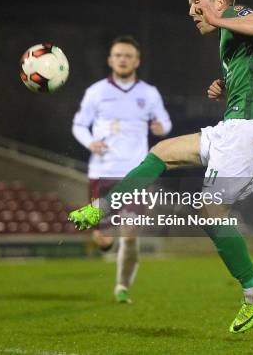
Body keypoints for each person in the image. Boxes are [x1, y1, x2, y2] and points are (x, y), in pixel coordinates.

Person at [69, 0, 253, 333]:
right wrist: (226, 86)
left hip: (250, 126)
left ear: (219, 3)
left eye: (196, 2)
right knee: (162, 152)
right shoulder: (229, 35)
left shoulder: (235, 15)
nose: (191, 11)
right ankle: (101, 208)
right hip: (235, 125)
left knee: (210, 210)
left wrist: (219, 19)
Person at [72, 35, 172, 303]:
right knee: (103, 239)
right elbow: (79, 124)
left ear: (137, 61)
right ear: (110, 60)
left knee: (130, 235)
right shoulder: (96, 92)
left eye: (128, 55)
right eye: (118, 55)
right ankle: (105, 241)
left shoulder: (148, 93)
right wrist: (89, 142)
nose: (123, 59)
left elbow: (164, 121)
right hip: (102, 172)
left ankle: (121, 288)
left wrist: (161, 128)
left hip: (135, 173)